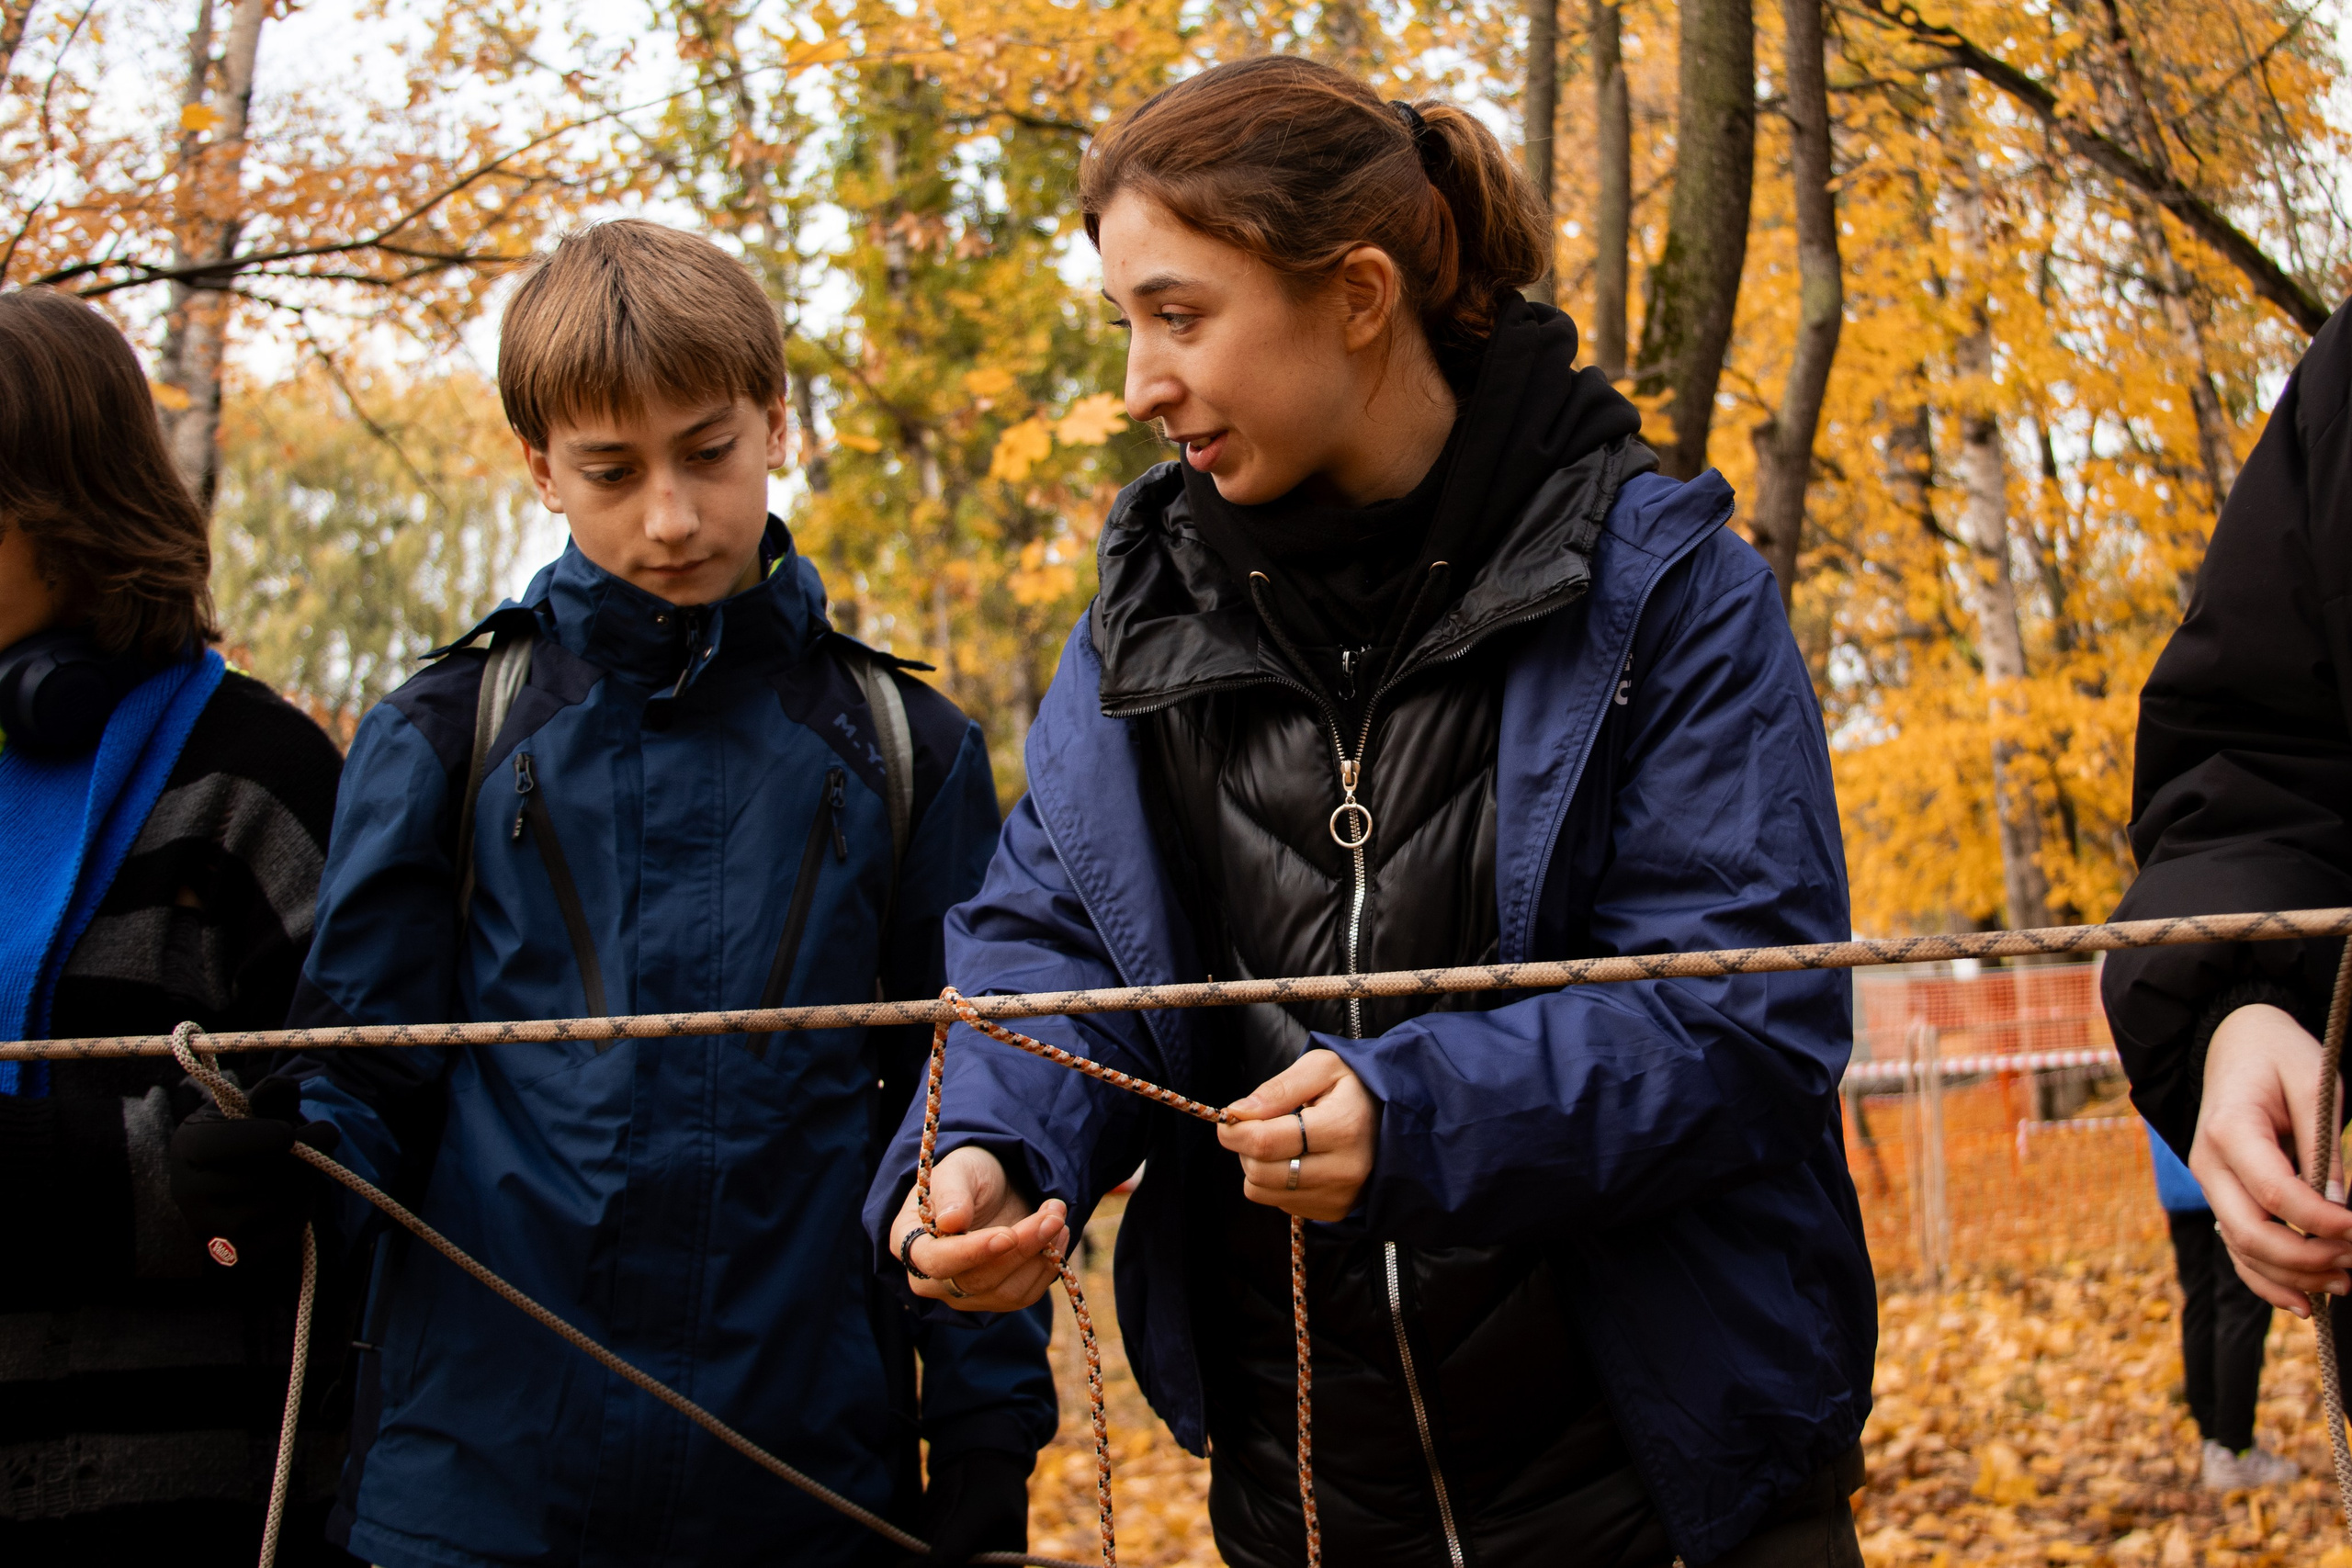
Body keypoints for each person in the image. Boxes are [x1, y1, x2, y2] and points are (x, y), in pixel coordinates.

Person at [867, 57, 1875, 1568]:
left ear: (1355, 295)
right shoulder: (1142, 626)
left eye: (1180, 315)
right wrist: (994, 1151)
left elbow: (1740, 1012)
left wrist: (1420, 1113)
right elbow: (1055, 947)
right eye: (1128, 324)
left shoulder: (1663, 589)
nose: (1142, 381)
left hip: (1673, 1501)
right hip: (1309, 1516)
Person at [167, 221, 1056, 1568]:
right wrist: (291, 1161)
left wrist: (986, 1445)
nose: (672, 516)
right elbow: (364, 1075)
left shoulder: (902, 746)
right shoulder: (447, 727)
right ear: (539, 468)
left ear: (775, 421)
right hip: (470, 1496)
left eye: (709, 452)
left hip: (805, 1490)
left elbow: (962, 1108)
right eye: (611, 469)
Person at [0, 289, 349, 1562]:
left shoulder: (256, 770)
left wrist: (51, 1173)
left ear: (72, 511)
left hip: (183, 1488)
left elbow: (322, 1136)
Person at [2100, 299, 2352, 1336]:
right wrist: (2238, 1007)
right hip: (2276, 1206)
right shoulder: (2341, 396)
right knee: (2209, 1302)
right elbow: (2253, 769)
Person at [2146, 1123, 2298, 1489]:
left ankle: (2215, 1439)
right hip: (2235, 1173)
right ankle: (2233, 1447)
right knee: (2241, 1301)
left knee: (2201, 1300)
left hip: (2178, 1177)